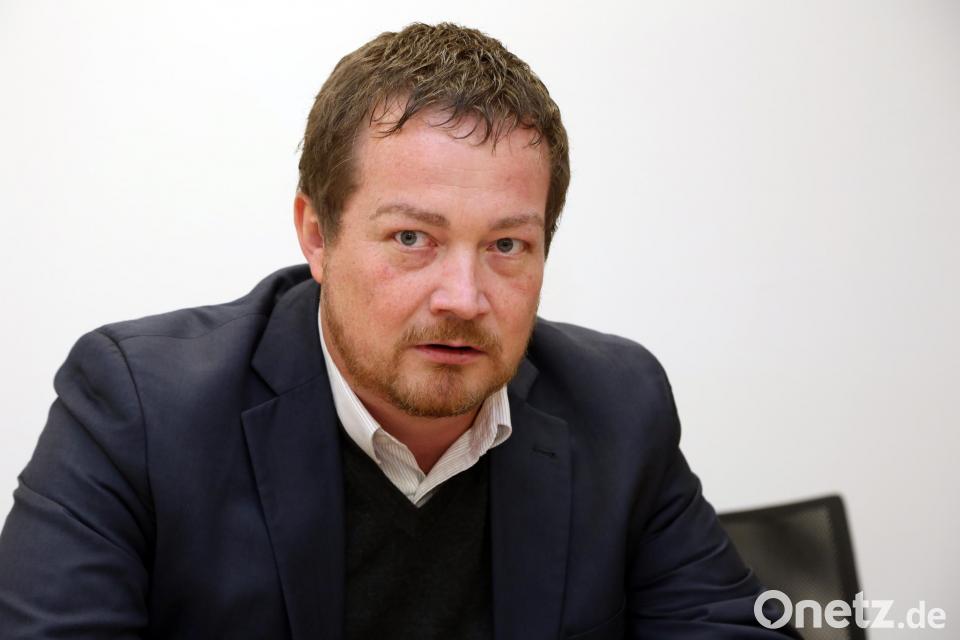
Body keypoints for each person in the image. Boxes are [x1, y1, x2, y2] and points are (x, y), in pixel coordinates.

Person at [0, 22, 797, 639]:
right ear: (317, 235)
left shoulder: (617, 406)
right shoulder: (139, 410)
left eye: (506, 245)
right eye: (412, 238)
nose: (464, 298)